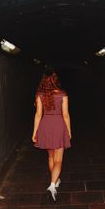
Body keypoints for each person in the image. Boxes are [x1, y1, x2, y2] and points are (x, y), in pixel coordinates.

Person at [32, 69, 71, 201]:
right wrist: (69, 131)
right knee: (59, 160)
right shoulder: (63, 94)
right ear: (55, 80)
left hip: (46, 125)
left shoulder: (40, 95)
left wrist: (34, 132)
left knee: (51, 156)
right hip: (59, 125)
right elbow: (65, 115)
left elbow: (38, 114)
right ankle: (52, 185)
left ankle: (55, 180)